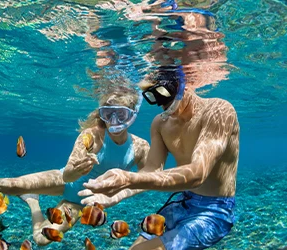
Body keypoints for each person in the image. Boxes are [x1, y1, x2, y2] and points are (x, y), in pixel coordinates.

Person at [0, 87, 150, 246]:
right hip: (62, 181)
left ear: (133, 116)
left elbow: (150, 177)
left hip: (79, 203)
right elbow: (68, 172)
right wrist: (76, 169)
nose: (114, 122)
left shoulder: (140, 147)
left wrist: (120, 192)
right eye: (108, 114)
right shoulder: (92, 135)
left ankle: (32, 201)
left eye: (121, 115)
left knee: (41, 239)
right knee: (8, 184)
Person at [80, 66, 239, 250]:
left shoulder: (219, 110)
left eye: (163, 93)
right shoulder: (160, 123)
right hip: (183, 200)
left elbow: (198, 173)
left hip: (215, 210)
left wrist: (127, 179)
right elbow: (151, 171)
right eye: (152, 96)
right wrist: (118, 194)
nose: (160, 103)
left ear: (182, 85)